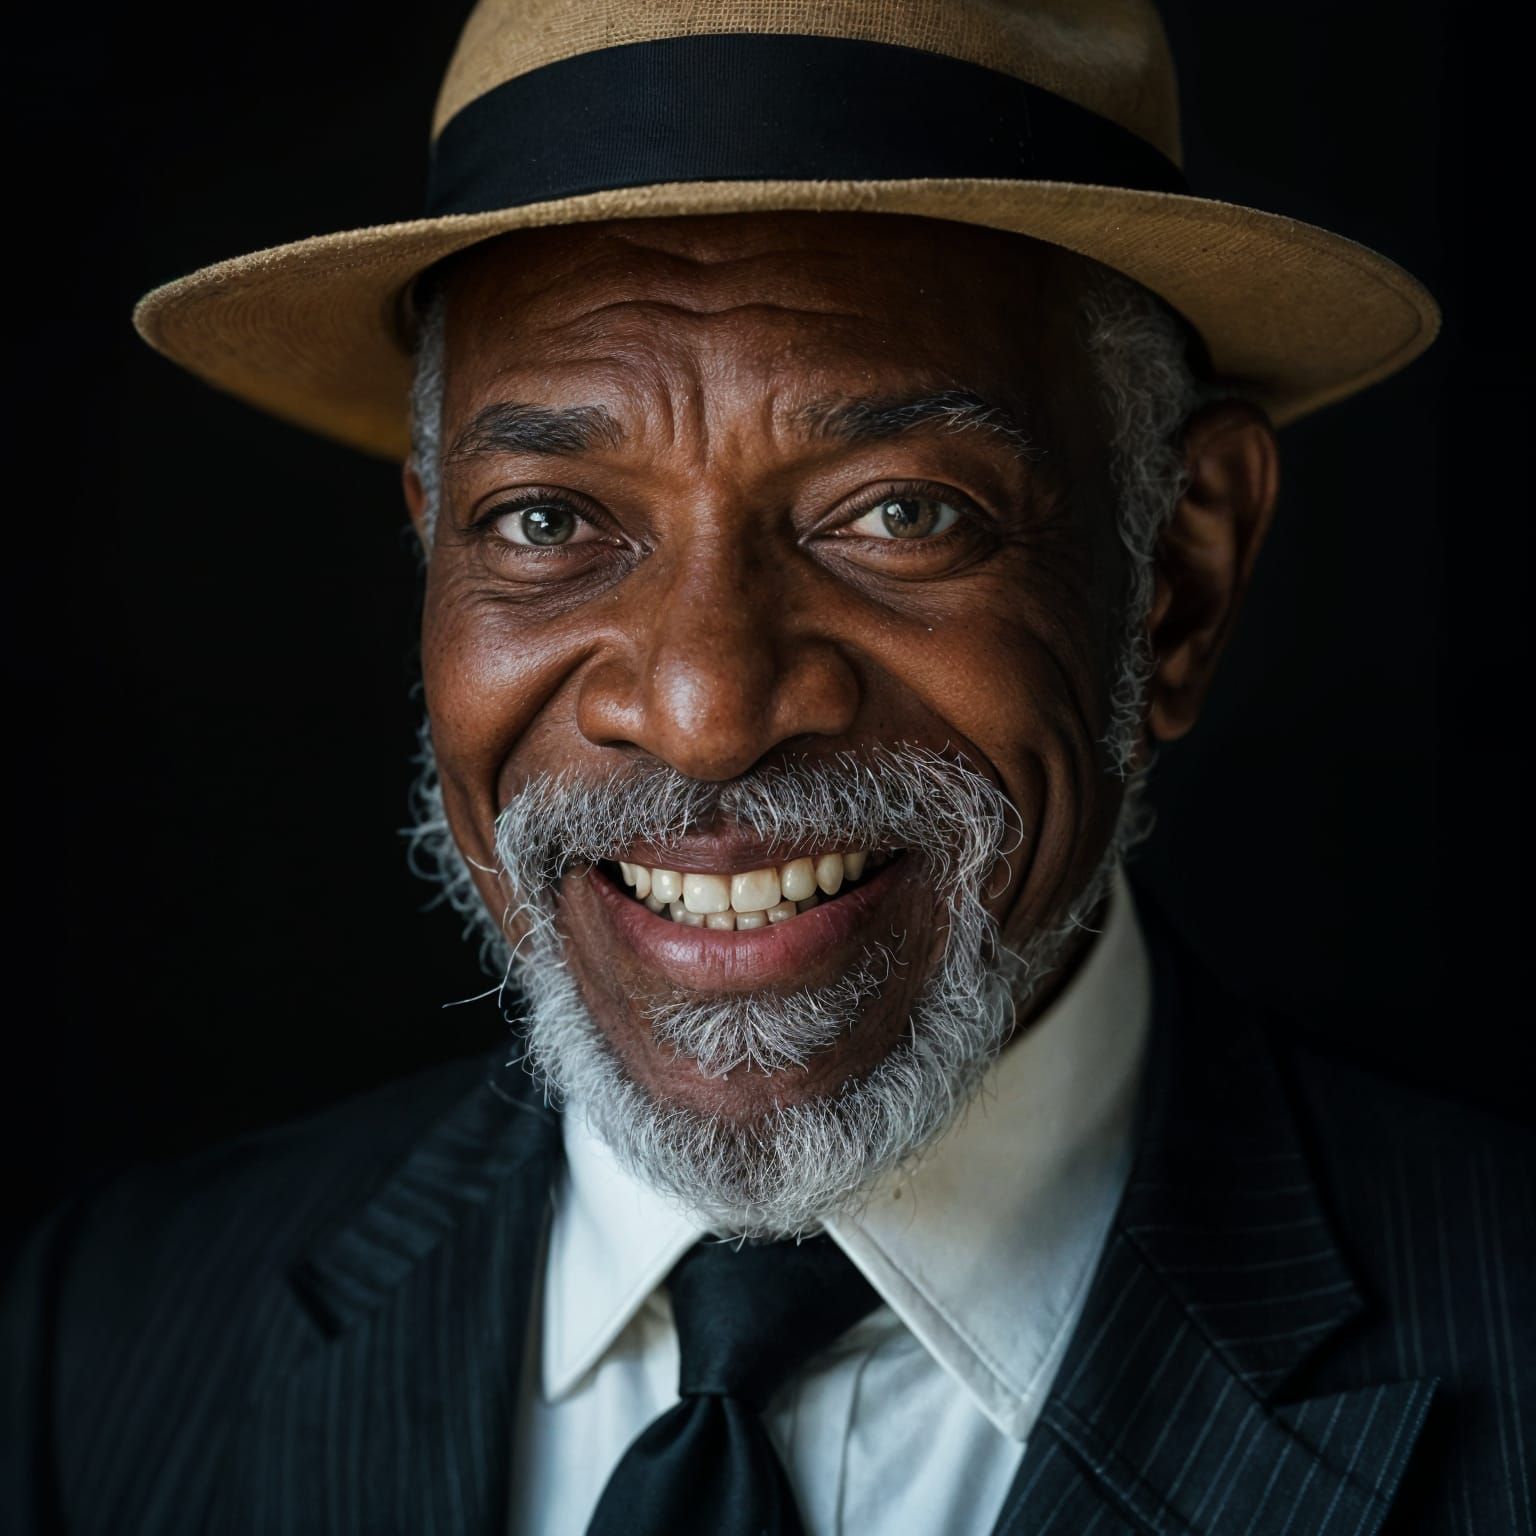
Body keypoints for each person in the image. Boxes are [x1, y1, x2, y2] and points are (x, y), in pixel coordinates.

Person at [4, 2, 1530, 1533]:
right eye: (547, 521)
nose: (705, 708)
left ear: (1179, 576)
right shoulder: (113, 1339)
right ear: (429, 544)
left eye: (898, 513)